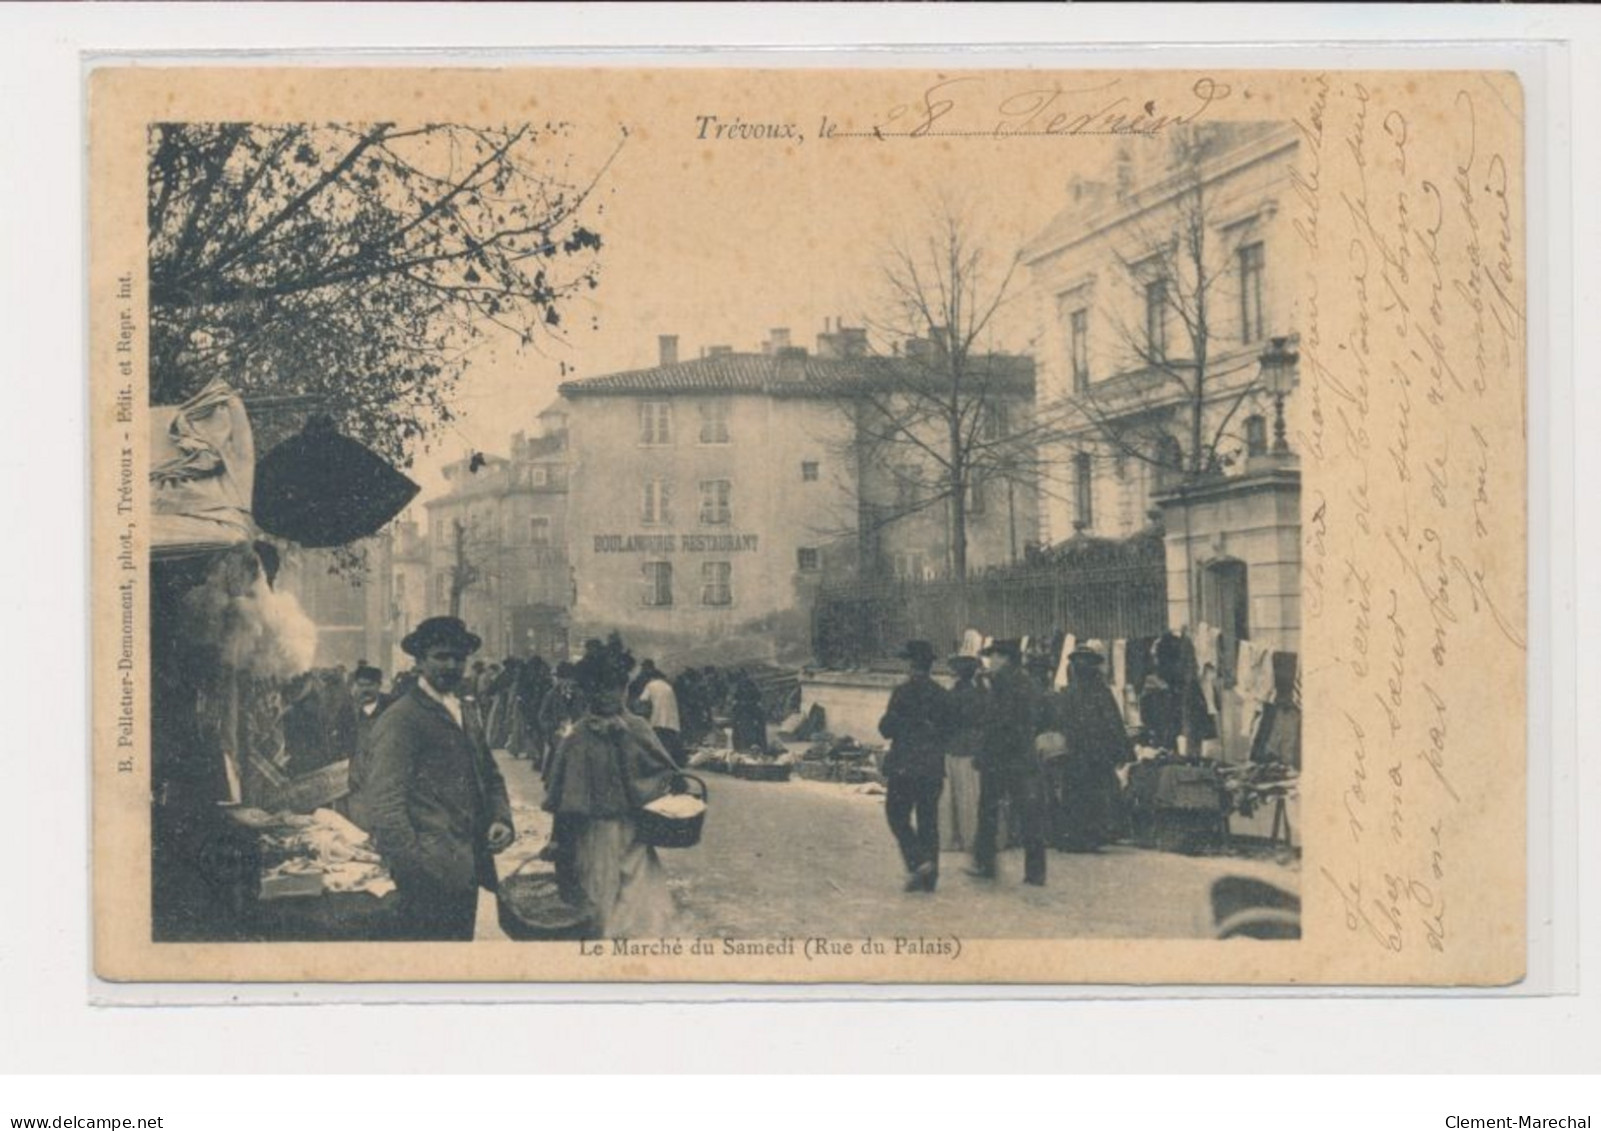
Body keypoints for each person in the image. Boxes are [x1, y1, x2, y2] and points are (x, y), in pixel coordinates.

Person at [363, 617, 515, 940]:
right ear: (419, 662)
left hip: (466, 869)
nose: (451, 665)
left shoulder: (464, 710)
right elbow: (385, 805)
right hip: (427, 880)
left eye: (459, 658)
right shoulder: (402, 718)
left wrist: (501, 818)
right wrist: (415, 870)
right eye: (441, 656)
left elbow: (490, 774)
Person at [542, 640, 680, 937]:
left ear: (624, 690)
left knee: (639, 906)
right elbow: (564, 793)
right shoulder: (577, 736)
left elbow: (664, 773)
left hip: (633, 831)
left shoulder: (638, 727)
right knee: (599, 901)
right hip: (592, 834)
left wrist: (645, 778)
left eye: (614, 688)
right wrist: (558, 838)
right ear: (587, 692)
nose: (607, 696)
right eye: (598, 689)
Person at [968, 638, 1048, 886]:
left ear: (1005, 659)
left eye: (994, 656)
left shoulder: (1002, 683)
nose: (990, 661)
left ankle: (985, 864)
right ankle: (1035, 871)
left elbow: (995, 722)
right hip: (1023, 756)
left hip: (1001, 757)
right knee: (1029, 814)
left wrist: (983, 752)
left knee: (989, 811)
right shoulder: (1029, 683)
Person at [878, 640, 952, 893]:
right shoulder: (942, 695)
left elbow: (886, 729)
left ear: (911, 664)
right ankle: (929, 879)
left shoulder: (902, 692)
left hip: (905, 767)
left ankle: (918, 861)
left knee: (896, 815)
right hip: (932, 767)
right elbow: (950, 731)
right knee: (928, 820)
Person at [1048, 644, 1134, 852]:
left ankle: (1083, 836)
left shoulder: (1075, 693)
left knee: (1084, 792)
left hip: (1086, 752)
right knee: (1090, 792)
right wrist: (1120, 749)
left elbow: (1112, 721)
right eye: (1079, 662)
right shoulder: (1092, 692)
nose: (1081, 666)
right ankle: (1087, 836)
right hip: (1089, 752)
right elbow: (1113, 722)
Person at [939, 654, 987, 853]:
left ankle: (951, 838)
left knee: (950, 796)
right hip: (973, 747)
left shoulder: (949, 695)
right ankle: (972, 839)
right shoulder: (981, 695)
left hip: (952, 746)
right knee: (970, 795)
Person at [343, 661, 390, 831]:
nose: (365, 689)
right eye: (361, 685)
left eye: (369, 685)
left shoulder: (392, 708)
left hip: (384, 773)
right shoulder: (347, 709)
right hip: (357, 777)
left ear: (379, 685)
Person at [539, 661, 588, 779]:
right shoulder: (551, 695)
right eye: (562, 679)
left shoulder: (580, 695)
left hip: (577, 733)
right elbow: (542, 716)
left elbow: (585, 713)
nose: (565, 683)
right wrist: (554, 727)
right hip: (557, 734)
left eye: (569, 679)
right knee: (556, 762)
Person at [634, 659, 685, 766]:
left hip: (657, 719)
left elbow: (642, 700)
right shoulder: (668, 686)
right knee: (668, 744)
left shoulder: (650, 685)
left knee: (657, 744)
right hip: (671, 721)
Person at [729, 672, 766, 753]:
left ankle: (740, 749)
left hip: (742, 712)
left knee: (739, 732)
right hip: (752, 711)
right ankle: (759, 748)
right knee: (758, 732)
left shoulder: (738, 687)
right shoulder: (752, 686)